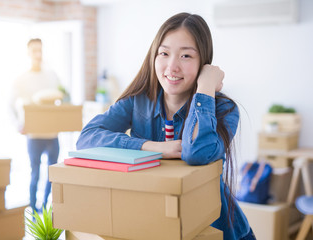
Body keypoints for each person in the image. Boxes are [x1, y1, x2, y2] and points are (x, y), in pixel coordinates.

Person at [76, 13, 255, 240]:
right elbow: (87, 138)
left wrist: (205, 87)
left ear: (204, 63)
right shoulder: (137, 102)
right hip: (158, 225)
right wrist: (154, 147)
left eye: (186, 55)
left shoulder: (224, 109)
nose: (172, 66)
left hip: (220, 231)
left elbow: (197, 153)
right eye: (164, 53)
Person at [10, 38, 61, 214]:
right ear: (28, 53)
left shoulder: (52, 75)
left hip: (52, 134)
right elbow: (10, 104)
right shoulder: (22, 79)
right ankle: (33, 209)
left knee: (53, 174)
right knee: (35, 173)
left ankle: (46, 207)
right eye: (34, 51)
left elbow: (62, 99)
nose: (38, 54)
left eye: (40, 50)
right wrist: (18, 124)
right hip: (33, 135)